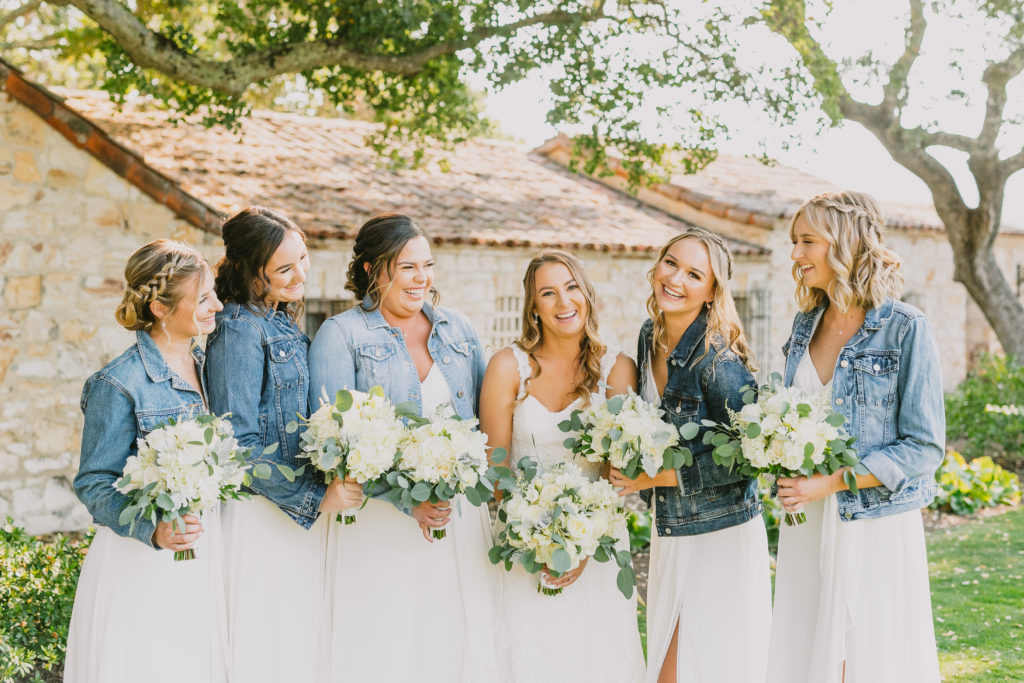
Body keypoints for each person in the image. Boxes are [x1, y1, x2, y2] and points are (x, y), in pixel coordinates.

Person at [308, 213, 500, 682]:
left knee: (453, 637)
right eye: (407, 267)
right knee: (385, 642)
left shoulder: (459, 330)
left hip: (454, 516)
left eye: (427, 266)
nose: (421, 279)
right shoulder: (341, 335)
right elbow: (330, 445)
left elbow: (480, 423)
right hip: (379, 520)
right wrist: (406, 501)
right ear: (374, 270)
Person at [768, 191, 943, 683]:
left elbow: (924, 446)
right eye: (793, 242)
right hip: (807, 518)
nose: (796, 254)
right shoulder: (805, 325)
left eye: (807, 241)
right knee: (809, 650)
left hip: (872, 519)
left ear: (844, 244)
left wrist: (833, 483)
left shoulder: (906, 328)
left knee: (868, 656)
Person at [204, 207, 361, 683]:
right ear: (253, 273)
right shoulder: (238, 330)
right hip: (262, 512)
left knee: (296, 642)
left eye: (304, 259)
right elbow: (237, 442)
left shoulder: (277, 320)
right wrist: (317, 497)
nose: (301, 274)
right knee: (266, 643)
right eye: (284, 268)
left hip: (294, 512)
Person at [609, 228, 771, 683]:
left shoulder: (719, 361)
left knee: (690, 668)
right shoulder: (650, 334)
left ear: (712, 291)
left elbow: (748, 457)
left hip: (720, 531)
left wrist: (653, 479)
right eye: (670, 263)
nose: (675, 278)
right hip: (673, 527)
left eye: (693, 274)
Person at [479, 249, 646, 683]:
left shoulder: (616, 369)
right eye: (548, 293)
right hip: (521, 545)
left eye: (571, 288)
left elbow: (618, 474)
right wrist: (536, 534)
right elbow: (495, 467)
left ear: (587, 294)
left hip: (600, 543)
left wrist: (583, 539)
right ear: (533, 306)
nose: (563, 302)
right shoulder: (507, 366)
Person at [65, 240, 227, 683]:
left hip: (204, 557)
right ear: (159, 307)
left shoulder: (210, 365)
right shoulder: (118, 383)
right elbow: (95, 482)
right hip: (139, 562)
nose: (217, 305)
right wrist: (153, 529)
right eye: (204, 298)